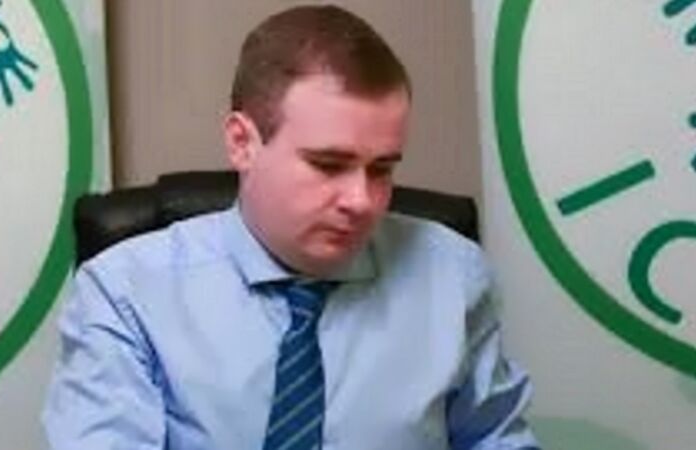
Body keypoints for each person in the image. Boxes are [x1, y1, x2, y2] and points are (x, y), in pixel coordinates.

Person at [43, 5, 539, 450]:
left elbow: (495, 439)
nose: (361, 200)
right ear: (242, 143)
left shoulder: (453, 276)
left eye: (382, 169)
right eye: (328, 165)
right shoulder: (124, 293)